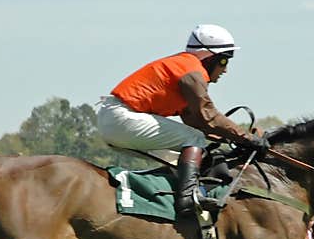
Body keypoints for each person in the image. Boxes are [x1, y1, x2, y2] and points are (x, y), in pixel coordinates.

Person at [96, 24, 267, 216]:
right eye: (224, 62)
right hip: (121, 118)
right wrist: (247, 138)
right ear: (210, 57)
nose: (224, 70)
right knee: (193, 139)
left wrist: (232, 140)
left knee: (183, 158)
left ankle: (167, 205)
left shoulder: (183, 66)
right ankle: (188, 199)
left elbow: (197, 121)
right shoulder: (192, 71)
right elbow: (208, 115)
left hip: (114, 119)